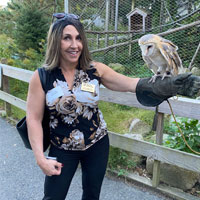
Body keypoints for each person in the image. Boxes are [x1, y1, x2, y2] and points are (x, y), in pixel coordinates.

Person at [26, 13, 200, 200]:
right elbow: (33, 118)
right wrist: (40, 158)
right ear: (55, 41)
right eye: (66, 38)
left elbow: (131, 84)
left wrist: (170, 85)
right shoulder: (42, 76)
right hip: (62, 148)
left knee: (92, 195)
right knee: (53, 196)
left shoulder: (94, 69)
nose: (74, 45)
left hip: (97, 144)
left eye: (78, 38)